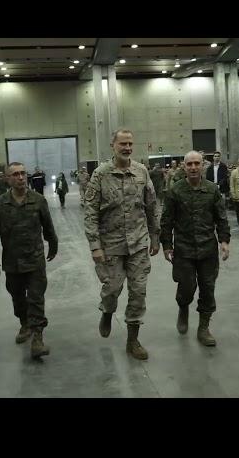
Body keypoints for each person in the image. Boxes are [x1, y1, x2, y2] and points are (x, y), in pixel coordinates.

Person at [84, 128, 160, 360]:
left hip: (137, 243)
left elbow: (151, 206)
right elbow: (90, 212)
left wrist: (155, 236)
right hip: (111, 246)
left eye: (130, 144)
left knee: (138, 292)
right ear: (113, 146)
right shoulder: (100, 174)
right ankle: (107, 311)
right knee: (112, 290)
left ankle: (133, 340)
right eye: (122, 144)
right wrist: (95, 246)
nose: (127, 148)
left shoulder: (141, 172)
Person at [0, 162, 58, 359]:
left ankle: (38, 338)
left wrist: (53, 244)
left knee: (36, 298)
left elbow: (48, 226)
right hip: (12, 261)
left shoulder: (38, 200)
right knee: (17, 298)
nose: (21, 177)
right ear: (8, 178)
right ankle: (24, 323)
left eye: (23, 173)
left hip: (35, 259)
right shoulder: (1, 203)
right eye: (15, 174)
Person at [161, 150, 230, 346]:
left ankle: (203, 327)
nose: (193, 167)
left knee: (208, 288)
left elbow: (221, 218)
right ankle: (183, 308)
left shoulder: (212, 189)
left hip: (208, 249)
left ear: (202, 166)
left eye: (196, 164)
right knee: (186, 288)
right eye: (189, 164)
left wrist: (224, 241)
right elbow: (166, 220)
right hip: (184, 250)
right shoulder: (175, 191)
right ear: (184, 166)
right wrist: (167, 245)